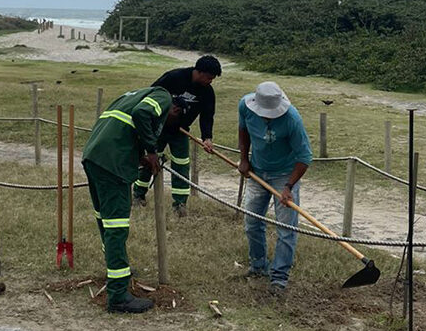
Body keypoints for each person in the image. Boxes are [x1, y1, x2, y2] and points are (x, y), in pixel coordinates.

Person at [82, 86, 184, 314]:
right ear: (175, 110)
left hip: (94, 156)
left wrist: (139, 156)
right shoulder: (163, 97)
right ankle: (118, 296)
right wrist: (151, 151)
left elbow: (125, 127)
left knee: (105, 222)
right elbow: (142, 114)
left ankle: (116, 271)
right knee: (117, 227)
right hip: (113, 165)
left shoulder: (128, 95)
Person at [236, 82, 313, 298]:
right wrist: (244, 159)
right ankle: (259, 265)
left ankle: (279, 277)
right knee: (252, 221)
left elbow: (305, 158)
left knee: (285, 228)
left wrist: (289, 186)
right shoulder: (245, 105)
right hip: (258, 171)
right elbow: (243, 130)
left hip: (285, 175)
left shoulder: (292, 119)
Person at [132, 55, 222, 217]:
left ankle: (180, 204)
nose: (210, 81)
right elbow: (150, 95)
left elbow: (207, 116)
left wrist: (207, 138)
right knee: (150, 160)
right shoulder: (174, 77)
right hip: (158, 129)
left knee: (181, 165)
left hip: (181, 131)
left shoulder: (207, 92)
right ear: (199, 72)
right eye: (209, 77)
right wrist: (165, 112)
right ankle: (138, 195)